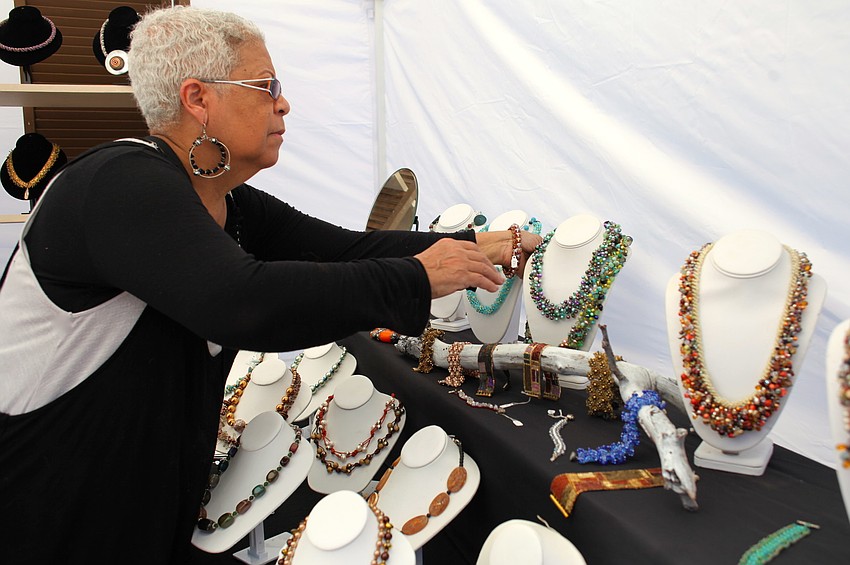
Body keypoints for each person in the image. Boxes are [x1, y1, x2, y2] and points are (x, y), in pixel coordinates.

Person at [0, 6, 541, 563]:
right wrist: (418, 277)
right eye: (264, 86)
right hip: (49, 520)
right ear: (198, 99)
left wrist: (477, 247)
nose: (283, 102)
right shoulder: (117, 185)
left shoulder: (219, 200)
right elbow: (244, 302)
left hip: (137, 513)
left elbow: (346, 249)